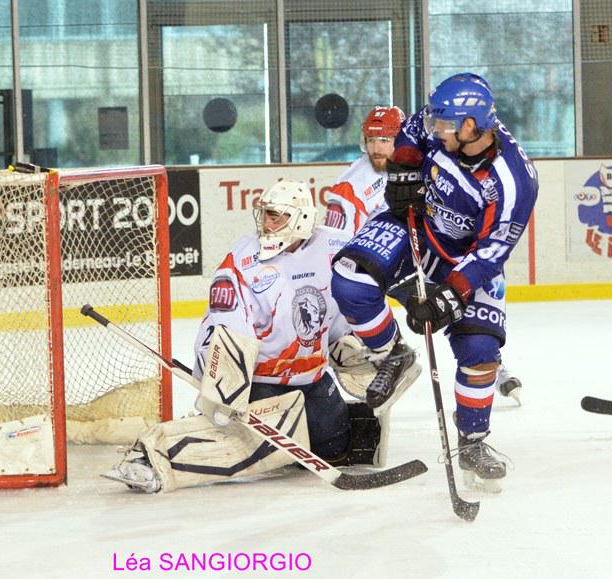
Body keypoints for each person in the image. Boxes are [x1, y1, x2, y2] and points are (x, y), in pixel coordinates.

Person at [104, 180, 392, 493]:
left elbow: (341, 314)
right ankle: (151, 457)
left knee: (334, 444)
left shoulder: (334, 248)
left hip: (312, 379)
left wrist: (356, 348)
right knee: (246, 448)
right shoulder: (243, 261)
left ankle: (292, 440)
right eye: (266, 214)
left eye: (276, 216)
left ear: (301, 219)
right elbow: (224, 334)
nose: (267, 223)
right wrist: (226, 392)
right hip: (261, 383)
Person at [330, 73, 538, 490]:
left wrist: (450, 296)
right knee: (350, 279)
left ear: (470, 127)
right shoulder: (444, 126)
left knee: (480, 351)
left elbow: (491, 253)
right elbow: (411, 129)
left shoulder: (514, 182)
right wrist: (404, 166)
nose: (435, 130)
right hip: (417, 226)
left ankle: (473, 442)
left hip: (467, 259)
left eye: (444, 125)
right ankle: (392, 354)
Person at [326, 104, 523, 406]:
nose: (378, 148)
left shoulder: (432, 159)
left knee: (466, 308)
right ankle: (391, 355)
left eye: (386, 140)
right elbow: (335, 244)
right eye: (372, 140)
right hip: (394, 262)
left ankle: (489, 361)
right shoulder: (349, 186)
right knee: (405, 302)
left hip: (436, 250)